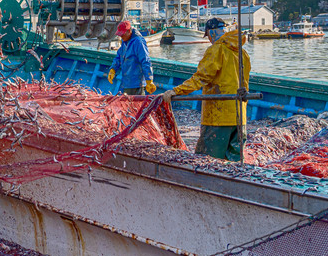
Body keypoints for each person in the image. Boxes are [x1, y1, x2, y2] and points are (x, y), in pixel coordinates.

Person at [163, 18, 250, 161]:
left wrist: (177, 91)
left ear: (211, 32)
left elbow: (201, 78)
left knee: (207, 162)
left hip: (218, 118)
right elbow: (245, 84)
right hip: (240, 116)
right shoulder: (243, 53)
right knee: (234, 165)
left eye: (208, 35)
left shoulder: (216, 50)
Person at [107, 20, 155, 95]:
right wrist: (113, 69)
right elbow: (119, 56)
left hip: (137, 84)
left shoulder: (138, 42)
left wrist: (149, 80)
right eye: (120, 35)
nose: (121, 36)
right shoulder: (125, 41)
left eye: (122, 34)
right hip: (126, 82)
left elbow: (145, 61)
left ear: (129, 31)